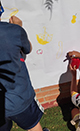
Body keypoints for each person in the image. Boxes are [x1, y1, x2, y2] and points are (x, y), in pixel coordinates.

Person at [0, 2, 49, 131]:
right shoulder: (14, 31)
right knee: (33, 127)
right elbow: (28, 48)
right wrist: (18, 28)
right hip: (18, 98)